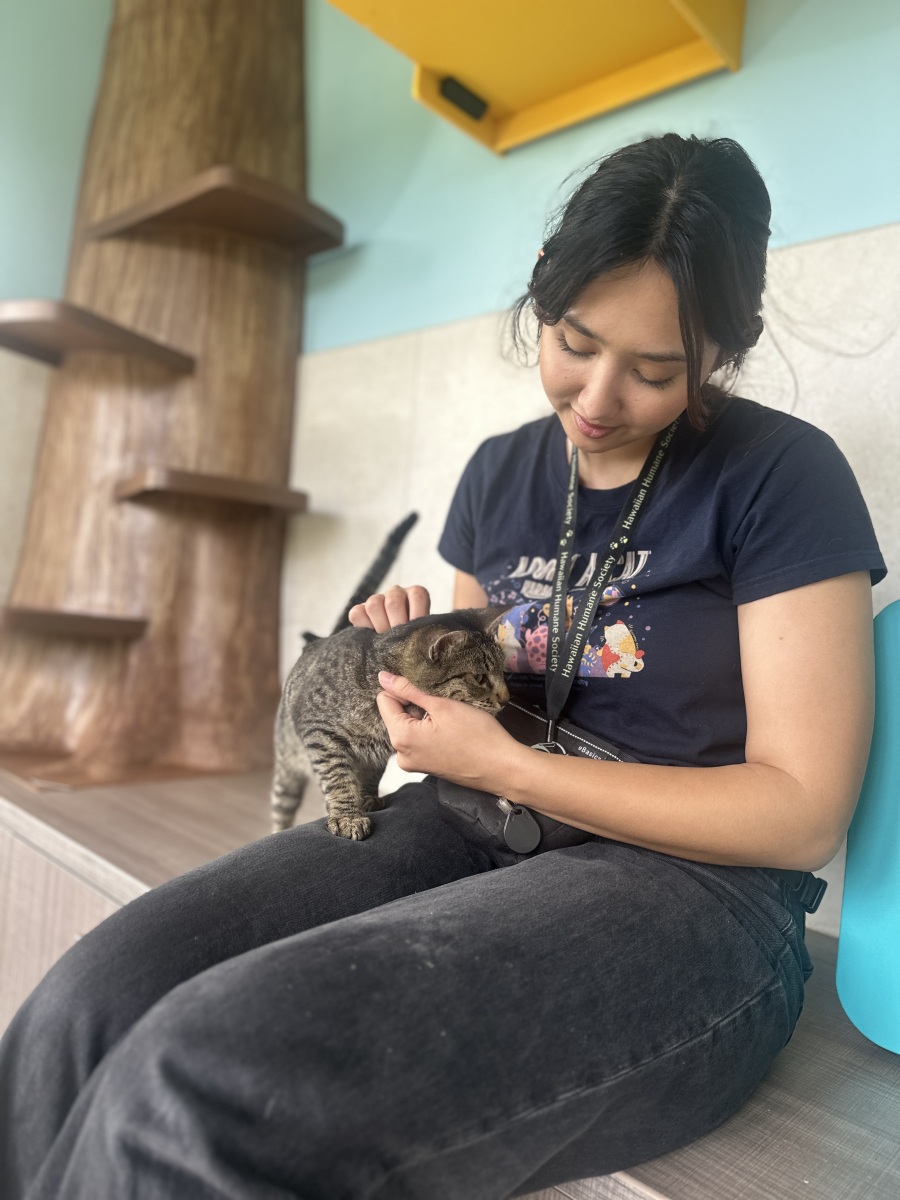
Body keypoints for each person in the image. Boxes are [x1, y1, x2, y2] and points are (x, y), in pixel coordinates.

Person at [0, 133, 886, 1199]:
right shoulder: (499, 473)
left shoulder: (782, 474)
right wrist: (401, 676)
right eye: (574, 342)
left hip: (692, 894)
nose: (599, 398)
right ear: (541, 296)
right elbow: (475, 713)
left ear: (723, 353)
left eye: (657, 372)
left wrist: (508, 767)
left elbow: (800, 815)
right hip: (467, 823)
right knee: (90, 1000)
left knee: (204, 1078)